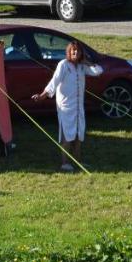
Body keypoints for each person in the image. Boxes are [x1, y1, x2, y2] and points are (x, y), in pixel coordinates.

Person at [32, 41, 103, 171]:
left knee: (78, 135)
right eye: (73, 51)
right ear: (69, 52)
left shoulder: (82, 67)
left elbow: (98, 71)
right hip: (65, 107)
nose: (75, 53)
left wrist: (88, 62)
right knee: (67, 135)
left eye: (78, 51)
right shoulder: (63, 65)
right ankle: (65, 163)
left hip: (78, 107)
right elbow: (53, 83)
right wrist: (42, 96)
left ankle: (78, 161)